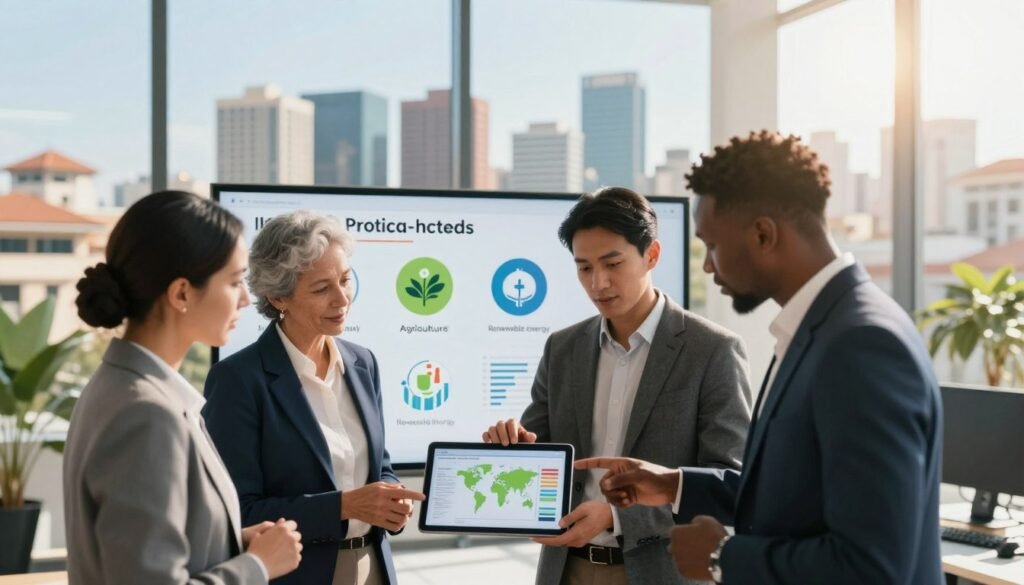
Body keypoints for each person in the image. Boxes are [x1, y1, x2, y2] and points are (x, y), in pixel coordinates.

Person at [578, 131, 944, 585]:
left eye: (711, 244)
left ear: (763, 234)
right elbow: (789, 492)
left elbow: (872, 567)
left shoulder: (860, 344)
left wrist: (723, 559)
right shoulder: (820, 328)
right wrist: (674, 485)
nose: (708, 266)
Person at [483, 187, 752, 585]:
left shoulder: (712, 350)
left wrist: (616, 515)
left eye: (612, 263)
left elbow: (730, 483)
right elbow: (543, 452)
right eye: (584, 268)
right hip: (564, 568)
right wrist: (514, 448)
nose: (598, 283)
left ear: (652, 255)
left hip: (661, 571)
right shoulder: (562, 348)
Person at [65, 191, 303, 585]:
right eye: (234, 282)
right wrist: (257, 566)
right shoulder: (146, 414)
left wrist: (231, 544)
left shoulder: (121, 384)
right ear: (181, 294)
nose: (246, 299)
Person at [203, 211, 424, 585]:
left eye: (345, 280)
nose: (342, 299)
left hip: (375, 566)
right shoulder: (238, 380)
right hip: (296, 575)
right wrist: (346, 505)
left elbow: (378, 465)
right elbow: (238, 510)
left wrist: (392, 501)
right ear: (278, 297)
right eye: (322, 289)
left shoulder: (362, 363)